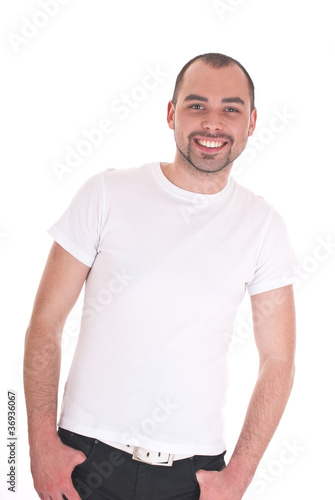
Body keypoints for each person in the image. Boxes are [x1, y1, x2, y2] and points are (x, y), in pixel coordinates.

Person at [24, 53, 298, 500]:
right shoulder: (106, 194)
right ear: (171, 113)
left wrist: (239, 478)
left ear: (251, 122)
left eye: (231, 108)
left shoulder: (263, 225)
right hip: (83, 460)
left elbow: (278, 361)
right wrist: (38, 447)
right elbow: (45, 323)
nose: (213, 122)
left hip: (194, 479)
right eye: (196, 105)